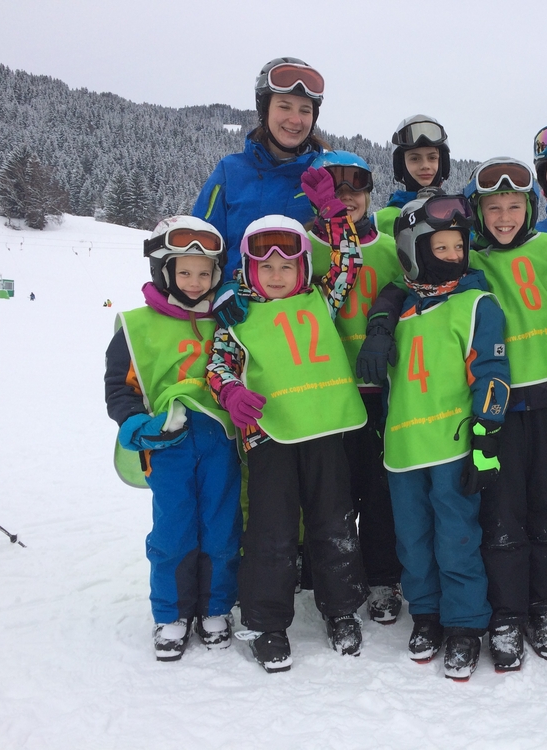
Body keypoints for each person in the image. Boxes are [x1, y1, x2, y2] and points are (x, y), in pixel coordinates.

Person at [206, 208, 370, 673]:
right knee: (271, 531)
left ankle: (341, 610)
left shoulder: (321, 299)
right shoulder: (237, 316)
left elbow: (349, 263)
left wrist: (335, 218)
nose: (276, 275)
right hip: (269, 435)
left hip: (323, 429)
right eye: (265, 267)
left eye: (286, 266)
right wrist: (231, 391)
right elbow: (217, 366)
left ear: (303, 268)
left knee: (334, 522)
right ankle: (266, 622)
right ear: (248, 269)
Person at [384, 193, 510, 680]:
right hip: (403, 449)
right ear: (414, 250)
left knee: (457, 538)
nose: (454, 255)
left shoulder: (476, 304)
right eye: (441, 247)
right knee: (413, 540)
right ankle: (427, 614)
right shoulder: (400, 311)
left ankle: (465, 623)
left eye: (459, 246)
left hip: (453, 446)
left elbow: (492, 374)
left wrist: (486, 436)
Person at [104, 216, 241, 661]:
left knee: (221, 524)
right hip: (169, 444)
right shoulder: (137, 326)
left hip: (220, 440)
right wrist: (136, 423)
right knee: (173, 528)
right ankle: (172, 613)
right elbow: (120, 388)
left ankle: (216, 607)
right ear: (165, 271)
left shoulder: (227, 319)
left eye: (204, 273)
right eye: (184, 272)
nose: (195, 282)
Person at [306, 150, 406, 624]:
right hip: (329, 393)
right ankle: (337, 581)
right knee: (334, 498)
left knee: (381, 493)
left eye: (357, 189)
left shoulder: (388, 249)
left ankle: (383, 578)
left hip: (383, 391)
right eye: (337, 190)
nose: (348, 198)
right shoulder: (304, 246)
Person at [193, 58, 326, 275]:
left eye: (305, 110)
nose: (295, 120)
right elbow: (199, 247)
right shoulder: (230, 172)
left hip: (305, 297)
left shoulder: (323, 177)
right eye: (284, 107)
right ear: (265, 111)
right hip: (235, 296)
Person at [374, 115, 451, 237]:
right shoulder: (379, 222)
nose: (425, 165)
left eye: (432, 157)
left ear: (443, 162)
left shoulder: (456, 214)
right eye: (414, 158)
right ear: (400, 165)